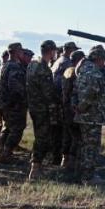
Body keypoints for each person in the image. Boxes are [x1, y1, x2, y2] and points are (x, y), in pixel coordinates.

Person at [74, 45, 105, 184]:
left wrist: (77, 108)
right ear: (97, 58)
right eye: (103, 58)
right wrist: (81, 108)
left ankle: (81, 173)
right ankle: (88, 177)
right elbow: (90, 94)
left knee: (84, 145)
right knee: (91, 147)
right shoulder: (94, 72)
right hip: (91, 116)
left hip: (85, 116)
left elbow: (75, 91)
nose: (104, 61)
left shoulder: (83, 69)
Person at [26, 40, 60, 180]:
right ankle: (35, 168)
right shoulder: (43, 68)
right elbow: (48, 93)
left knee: (40, 136)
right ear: (51, 51)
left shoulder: (32, 65)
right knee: (42, 138)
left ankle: (37, 166)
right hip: (43, 108)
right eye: (54, 51)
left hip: (34, 106)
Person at [0, 42, 28, 163]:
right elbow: (15, 87)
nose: (22, 53)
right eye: (21, 51)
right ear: (16, 52)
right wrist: (24, 97)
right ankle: (6, 153)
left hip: (5, 103)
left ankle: (2, 152)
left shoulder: (5, 65)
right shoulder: (14, 67)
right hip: (14, 104)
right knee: (17, 129)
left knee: (7, 128)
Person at [49, 40, 79, 163]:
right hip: (61, 101)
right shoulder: (67, 63)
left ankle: (57, 156)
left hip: (56, 100)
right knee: (62, 131)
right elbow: (63, 84)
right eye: (74, 49)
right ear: (69, 50)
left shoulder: (58, 61)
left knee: (57, 130)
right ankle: (60, 157)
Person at [58, 49, 85, 177]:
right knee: (76, 137)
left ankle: (65, 160)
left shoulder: (67, 71)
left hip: (65, 108)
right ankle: (72, 163)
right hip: (73, 109)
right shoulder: (76, 73)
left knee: (67, 136)